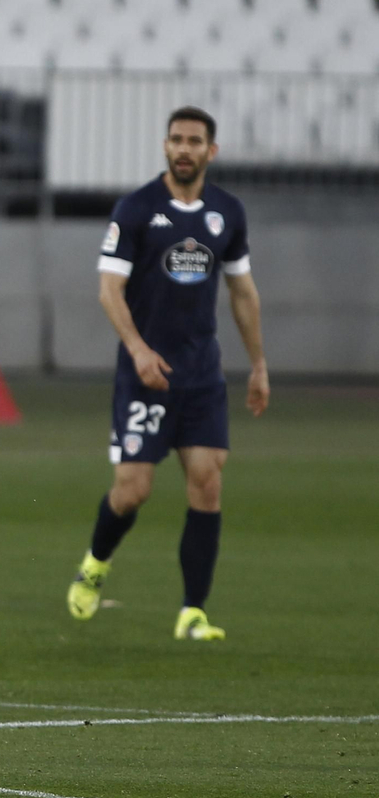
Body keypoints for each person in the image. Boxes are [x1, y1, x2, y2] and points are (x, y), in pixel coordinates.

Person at [66, 106, 268, 642]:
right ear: (165, 146)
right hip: (144, 373)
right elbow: (109, 290)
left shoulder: (228, 212)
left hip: (201, 374)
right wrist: (136, 349)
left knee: (207, 483)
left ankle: (192, 612)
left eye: (194, 141)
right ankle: (95, 563)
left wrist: (259, 365)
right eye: (176, 139)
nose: (184, 148)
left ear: (211, 151)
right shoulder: (136, 209)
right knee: (133, 491)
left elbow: (242, 293)